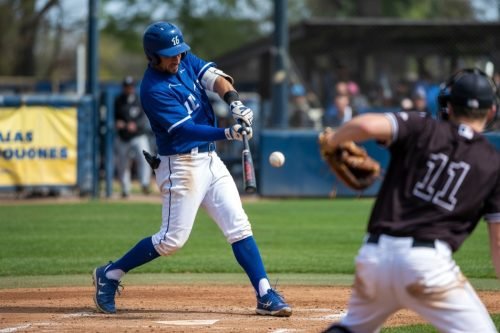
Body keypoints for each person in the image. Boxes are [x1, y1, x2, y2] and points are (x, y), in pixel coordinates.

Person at [92, 21, 292, 317]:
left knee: (239, 226)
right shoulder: (152, 89)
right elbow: (185, 131)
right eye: (169, 54)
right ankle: (109, 274)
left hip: (211, 161)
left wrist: (233, 102)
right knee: (171, 241)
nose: (176, 57)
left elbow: (216, 78)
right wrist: (227, 133)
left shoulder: (185, 61)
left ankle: (265, 294)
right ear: (153, 56)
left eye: (178, 51)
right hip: (181, 166)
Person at [321, 68, 500, 333]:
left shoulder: (422, 127)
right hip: (428, 267)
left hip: (375, 256)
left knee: (352, 328)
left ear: (448, 106)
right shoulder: (493, 163)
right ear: (492, 112)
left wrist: (334, 140)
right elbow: (498, 241)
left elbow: (366, 126)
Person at [114, 76, 152, 197]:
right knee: (123, 163)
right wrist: (119, 123)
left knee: (145, 158)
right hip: (123, 137)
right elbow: (115, 118)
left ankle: (145, 183)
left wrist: (135, 125)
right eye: (126, 86)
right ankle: (125, 189)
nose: (128, 89)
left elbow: (144, 118)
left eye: (130, 86)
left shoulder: (139, 100)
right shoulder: (118, 100)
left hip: (138, 135)